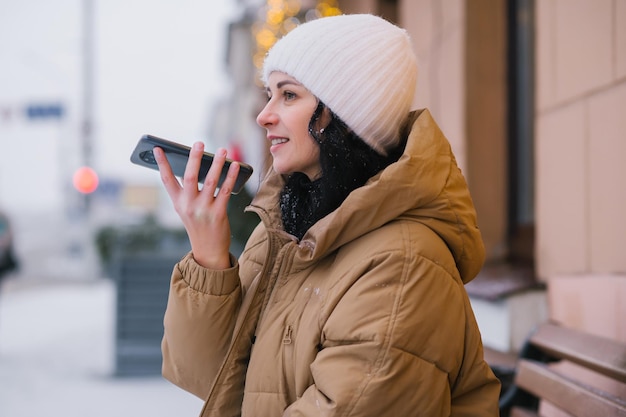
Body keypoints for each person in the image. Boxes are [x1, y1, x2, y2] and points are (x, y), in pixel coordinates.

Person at [154, 13, 500, 417]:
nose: (264, 115)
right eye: (269, 94)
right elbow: (207, 377)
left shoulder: (402, 265)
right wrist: (209, 257)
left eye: (288, 95)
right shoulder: (286, 232)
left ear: (344, 112)